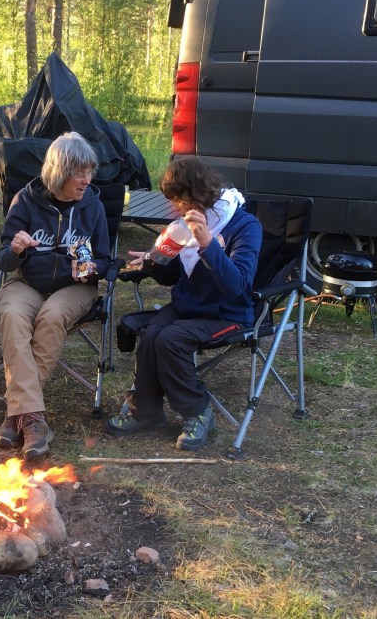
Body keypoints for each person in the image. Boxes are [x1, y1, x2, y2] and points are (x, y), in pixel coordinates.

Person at [105, 157, 261, 450]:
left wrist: (208, 244)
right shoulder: (186, 224)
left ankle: (198, 411)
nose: (174, 208)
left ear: (196, 193)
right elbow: (172, 277)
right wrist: (153, 261)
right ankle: (145, 413)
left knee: (170, 340)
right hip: (187, 307)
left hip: (227, 314)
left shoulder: (244, 226)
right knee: (150, 335)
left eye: (178, 200)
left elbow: (236, 286)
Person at [0, 131, 112, 459]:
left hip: (75, 287)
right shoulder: (25, 200)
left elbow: (105, 260)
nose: (87, 180)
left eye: (89, 172)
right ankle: (32, 420)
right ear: (59, 173)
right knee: (12, 313)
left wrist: (92, 268)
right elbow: (3, 260)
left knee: (52, 315)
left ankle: (17, 416)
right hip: (28, 282)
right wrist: (15, 250)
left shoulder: (93, 206)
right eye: (79, 173)